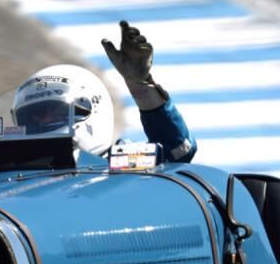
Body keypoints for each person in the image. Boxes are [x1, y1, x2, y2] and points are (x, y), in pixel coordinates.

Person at [10, 21, 196, 163]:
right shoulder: (6, 174)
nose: (43, 121)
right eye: (33, 117)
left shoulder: (122, 162)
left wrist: (139, 85)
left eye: (56, 112)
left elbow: (178, 150)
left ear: (91, 109)